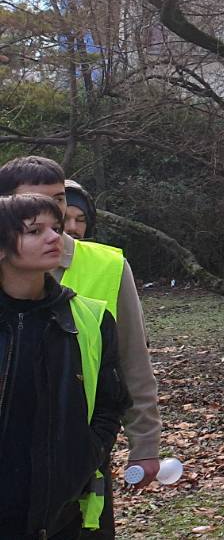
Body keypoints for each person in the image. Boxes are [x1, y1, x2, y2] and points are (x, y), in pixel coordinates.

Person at [0, 158, 164, 538]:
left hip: (73, 464)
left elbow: (131, 366)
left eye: (58, 201)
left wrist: (138, 444)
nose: (54, 215)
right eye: (33, 209)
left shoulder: (106, 265)